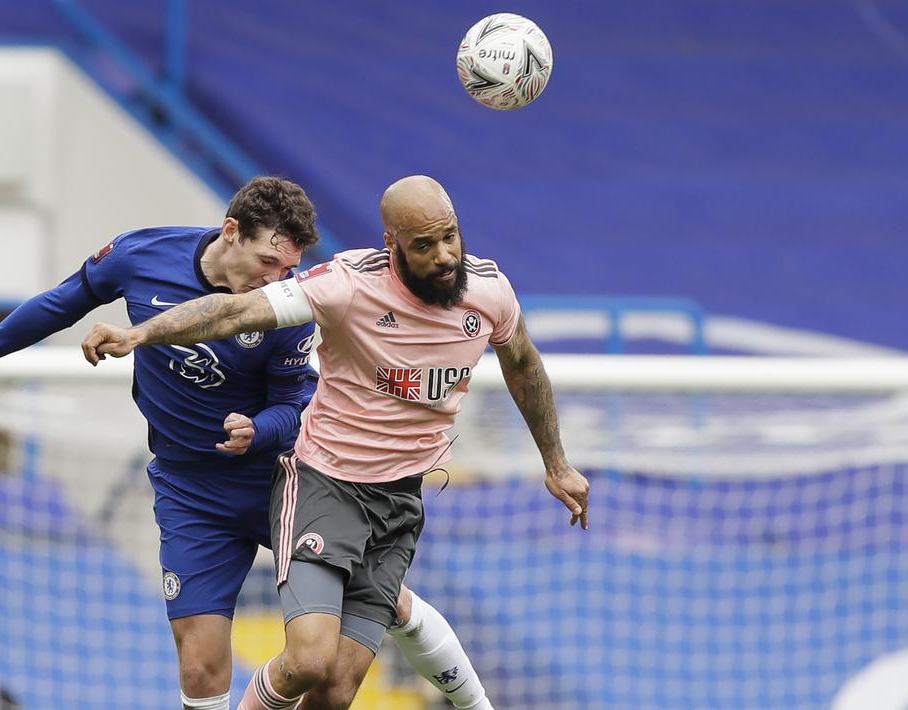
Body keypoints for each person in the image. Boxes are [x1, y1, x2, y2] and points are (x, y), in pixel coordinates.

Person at [0, 176, 495, 710]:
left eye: (288, 267)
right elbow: (57, 305)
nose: (275, 279)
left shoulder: (287, 306)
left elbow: (299, 400)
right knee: (200, 665)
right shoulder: (142, 256)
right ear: (230, 232)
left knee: (378, 608)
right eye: (268, 260)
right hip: (190, 489)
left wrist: (258, 429)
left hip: (284, 480)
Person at [82, 174, 591, 710]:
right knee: (308, 661)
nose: (444, 256)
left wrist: (556, 464)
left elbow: (523, 364)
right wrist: (141, 334)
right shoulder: (347, 283)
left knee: (336, 691)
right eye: (424, 245)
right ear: (391, 244)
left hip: (399, 503)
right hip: (325, 486)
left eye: (450, 237)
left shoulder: (490, 293)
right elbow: (235, 311)